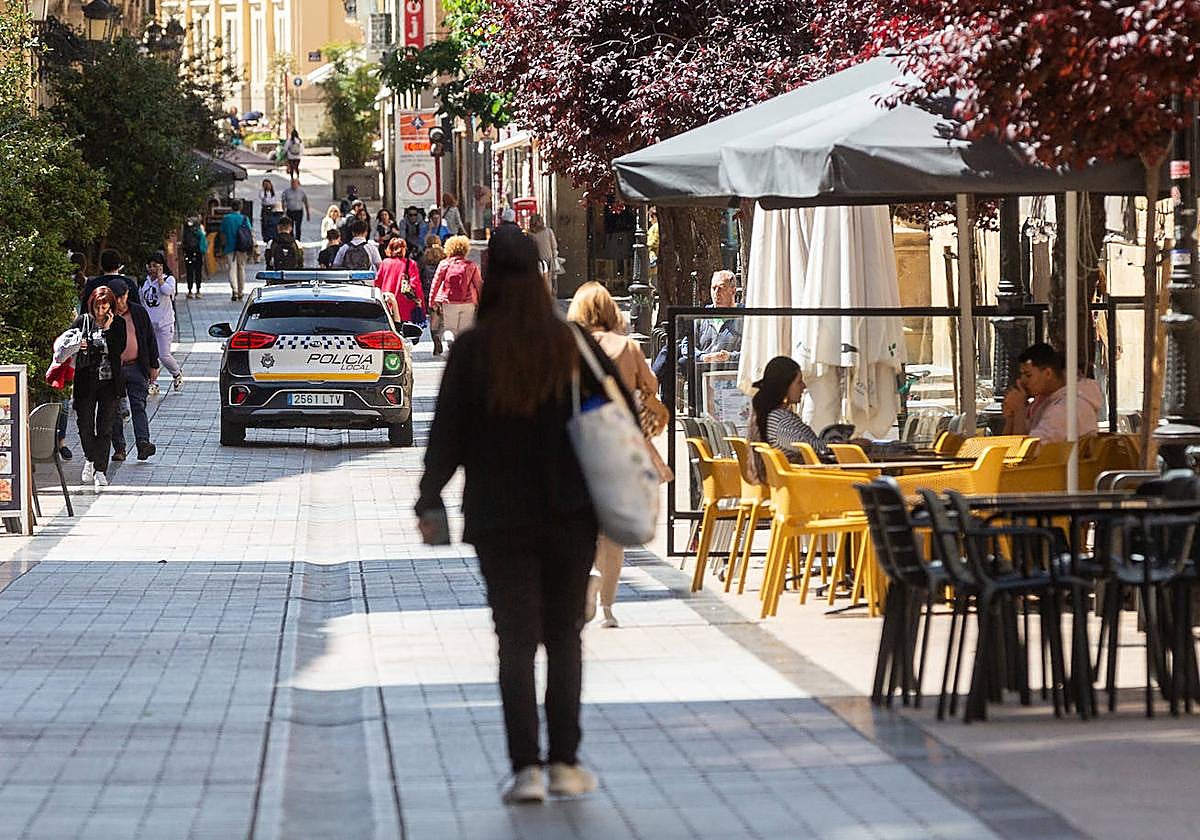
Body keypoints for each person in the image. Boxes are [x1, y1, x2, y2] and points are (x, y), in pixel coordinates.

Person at [416, 226, 633, 804]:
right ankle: (565, 761)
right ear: (539, 275)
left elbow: (448, 435)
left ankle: (526, 770)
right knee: (564, 638)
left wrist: (429, 497)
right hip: (570, 512)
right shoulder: (571, 344)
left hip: (498, 518)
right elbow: (622, 411)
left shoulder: (474, 350)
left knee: (513, 642)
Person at [567, 282, 668, 629]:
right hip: (620, 448)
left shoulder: (568, 347)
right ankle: (608, 607)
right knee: (613, 532)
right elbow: (651, 389)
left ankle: (585, 579)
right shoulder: (628, 347)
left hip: (578, 448)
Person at [73, 286, 127, 492]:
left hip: (109, 382)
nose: (101, 310)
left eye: (104, 306)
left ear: (111, 306)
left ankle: (100, 471)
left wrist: (107, 330)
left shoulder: (118, 324)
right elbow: (68, 342)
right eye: (97, 306)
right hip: (85, 382)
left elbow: (118, 349)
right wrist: (79, 344)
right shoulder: (83, 322)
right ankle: (90, 458)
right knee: (85, 425)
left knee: (105, 427)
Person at [744, 357, 830, 482]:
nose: (804, 386)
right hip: (802, 484)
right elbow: (810, 447)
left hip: (797, 480)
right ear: (785, 386)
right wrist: (845, 444)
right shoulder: (780, 421)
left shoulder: (771, 416)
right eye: (799, 382)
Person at [652, 269, 742, 383]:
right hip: (701, 369)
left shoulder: (744, 317)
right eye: (713, 288)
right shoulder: (703, 315)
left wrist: (729, 356)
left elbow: (751, 351)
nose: (716, 293)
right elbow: (687, 344)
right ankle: (650, 385)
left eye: (721, 288)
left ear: (733, 291)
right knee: (672, 353)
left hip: (730, 371)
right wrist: (703, 357)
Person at [1002, 342, 1102, 442]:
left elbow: (1026, 451)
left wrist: (1019, 411)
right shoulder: (1043, 402)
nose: (1022, 381)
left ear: (1048, 373)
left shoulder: (1066, 408)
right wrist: (1012, 416)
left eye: (1028, 375)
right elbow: (1005, 445)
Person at [107, 279, 159, 463]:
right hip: (115, 369)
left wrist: (154, 364)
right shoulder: (106, 314)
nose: (120, 302)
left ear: (127, 294)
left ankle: (143, 443)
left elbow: (150, 338)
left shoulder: (138, 312)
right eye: (116, 298)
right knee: (115, 409)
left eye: (123, 297)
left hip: (137, 365)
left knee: (139, 406)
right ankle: (119, 448)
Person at [140, 253, 184, 394]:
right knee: (148, 355)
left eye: (156, 266)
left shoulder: (169, 279)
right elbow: (141, 301)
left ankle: (176, 373)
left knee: (163, 354)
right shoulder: (144, 282)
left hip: (165, 323)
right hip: (149, 325)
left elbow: (168, 292)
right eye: (150, 266)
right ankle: (152, 382)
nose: (152, 269)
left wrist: (160, 279)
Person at [428, 235, 482, 347]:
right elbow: (479, 284)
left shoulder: (444, 264)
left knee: (450, 329)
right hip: (468, 302)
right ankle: (461, 352)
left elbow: (436, 283)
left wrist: (432, 301)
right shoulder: (471, 265)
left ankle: (450, 341)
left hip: (449, 301)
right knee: (465, 330)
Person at [373, 238, 424, 323]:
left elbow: (377, 283)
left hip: (388, 303)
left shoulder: (385, 263)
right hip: (405, 305)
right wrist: (420, 302)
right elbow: (415, 285)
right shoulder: (410, 264)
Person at [218, 199, 253, 301]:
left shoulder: (226, 218)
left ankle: (235, 290)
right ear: (241, 207)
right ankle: (241, 291)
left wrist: (221, 246)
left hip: (230, 246)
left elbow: (222, 233)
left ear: (231, 207)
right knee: (241, 268)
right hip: (242, 247)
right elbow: (249, 232)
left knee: (232, 269)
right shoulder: (244, 218)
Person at [420, 235, 445, 355]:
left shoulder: (424, 257)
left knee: (433, 319)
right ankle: (440, 335)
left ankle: (436, 339)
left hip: (428, 291)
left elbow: (419, 275)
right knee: (442, 319)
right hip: (443, 292)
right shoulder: (445, 256)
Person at [527, 213, 559, 294]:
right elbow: (554, 246)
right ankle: (548, 299)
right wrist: (554, 257)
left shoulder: (530, 234)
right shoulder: (548, 231)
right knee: (548, 282)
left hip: (536, 260)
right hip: (548, 259)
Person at [181, 216, 207, 299]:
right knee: (198, 271)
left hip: (188, 252)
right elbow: (203, 237)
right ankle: (198, 291)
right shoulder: (199, 227)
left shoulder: (185, 226)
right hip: (198, 252)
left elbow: (183, 238)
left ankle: (189, 291)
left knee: (189, 271)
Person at [258, 178, 281, 244]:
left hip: (272, 208)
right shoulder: (262, 192)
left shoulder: (273, 192)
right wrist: (263, 189)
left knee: (272, 223)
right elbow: (261, 197)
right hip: (265, 208)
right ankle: (266, 237)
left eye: (268, 184)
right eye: (265, 185)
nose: (267, 186)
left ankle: (272, 235)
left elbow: (276, 200)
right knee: (265, 223)